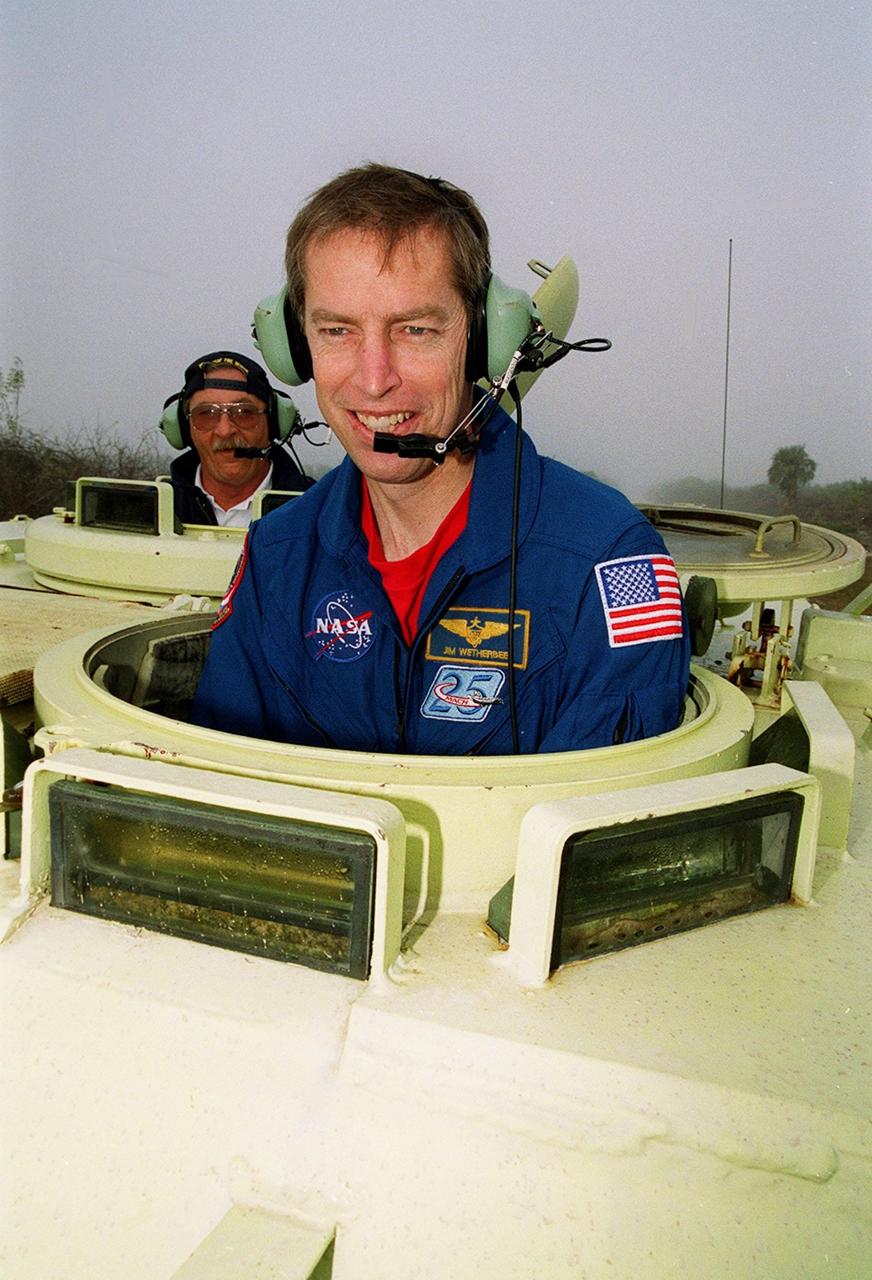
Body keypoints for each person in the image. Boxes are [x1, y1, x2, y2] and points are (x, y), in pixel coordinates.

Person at [191, 165, 689, 753]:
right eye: (336, 331)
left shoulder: (612, 560)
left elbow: (601, 822)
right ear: (297, 348)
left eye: (417, 330)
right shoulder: (276, 558)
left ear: (484, 340)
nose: (374, 381)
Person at [161, 351, 312, 527]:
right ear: (184, 428)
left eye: (244, 412)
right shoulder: (142, 510)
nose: (225, 431)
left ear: (273, 423)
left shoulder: (321, 511)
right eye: (206, 414)